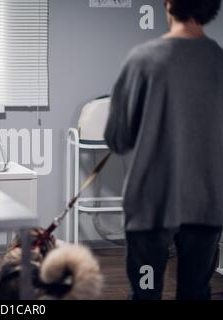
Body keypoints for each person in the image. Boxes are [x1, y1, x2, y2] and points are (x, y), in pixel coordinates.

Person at [105, 0, 223, 300]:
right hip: (206, 205)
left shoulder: (141, 60)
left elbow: (117, 138)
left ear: (168, 4)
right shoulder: (219, 62)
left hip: (150, 207)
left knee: (146, 292)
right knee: (195, 291)